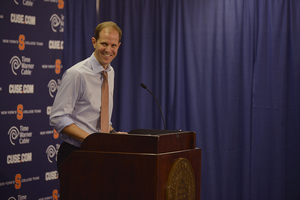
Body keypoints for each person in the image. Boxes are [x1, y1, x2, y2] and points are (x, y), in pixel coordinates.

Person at [49, 21, 126, 176]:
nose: (108, 50)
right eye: (104, 44)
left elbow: (99, 117)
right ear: (94, 42)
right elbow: (58, 118)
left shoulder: (110, 72)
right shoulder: (77, 74)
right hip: (76, 154)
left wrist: (112, 135)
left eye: (113, 45)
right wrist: (94, 140)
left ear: (119, 45)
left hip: (101, 152)